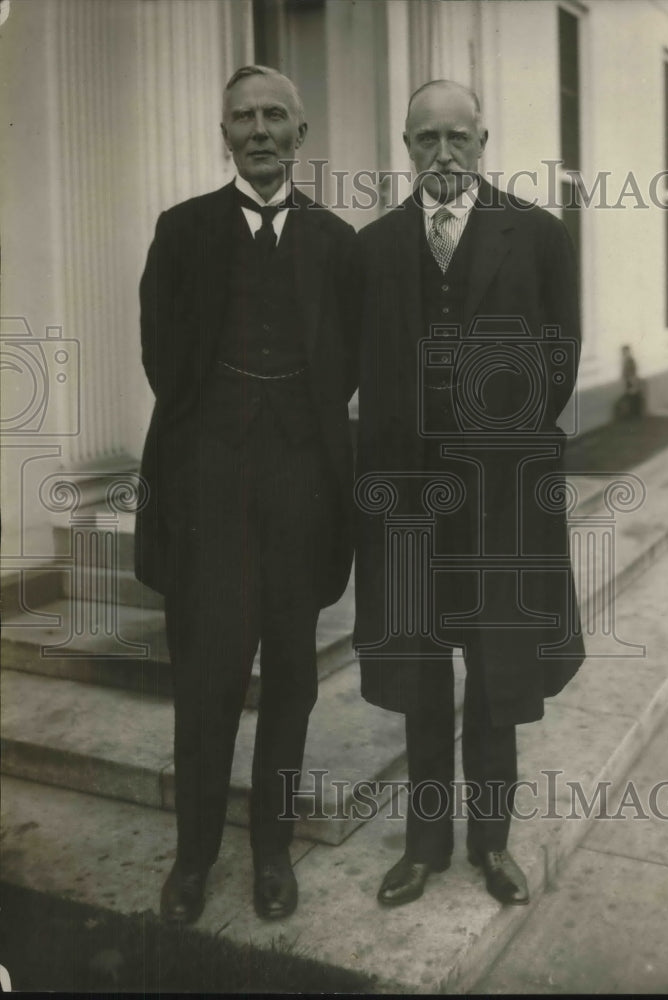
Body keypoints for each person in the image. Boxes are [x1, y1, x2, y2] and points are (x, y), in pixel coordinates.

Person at [135, 65, 358, 924]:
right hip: (208, 489)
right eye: (242, 118)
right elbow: (163, 356)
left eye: (274, 117)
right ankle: (194, 858)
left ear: (301, 135)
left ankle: (271, 850)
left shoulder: (338, 244)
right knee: (207, 674)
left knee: (293, 675)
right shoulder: (182, 230)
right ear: (223, 134)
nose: (258, 130)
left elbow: (348, 360)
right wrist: (210, 445)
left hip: (302, 487)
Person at [354, 80, 585, 908]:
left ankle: (491, 845)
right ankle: (423, 846)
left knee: (495, 670)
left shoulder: (537, 236)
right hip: (412, 506)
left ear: (483, 140)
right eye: (426, 139)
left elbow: (560, 356)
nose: (442, 153)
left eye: (458, 136)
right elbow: (363, 375)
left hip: (501, 499)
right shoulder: (374, 247)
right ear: (405, 146)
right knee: (419, 674)